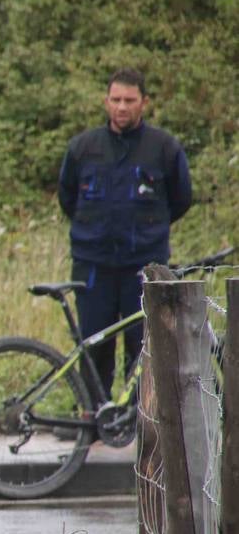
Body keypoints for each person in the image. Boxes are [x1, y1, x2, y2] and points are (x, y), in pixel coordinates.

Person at [57, 67, 192, 394]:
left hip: (144, 267)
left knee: (145, 347)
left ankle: (143, 424)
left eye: (129, 100)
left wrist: (148, 231)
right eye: (115, 99)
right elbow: (67, 198)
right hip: (93, 267)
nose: (122, 107)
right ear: (106, 102)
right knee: (94, 344)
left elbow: (181, 199)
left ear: (143, 102)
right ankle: (93, 419)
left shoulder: (164, 148)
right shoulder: (82, 148)